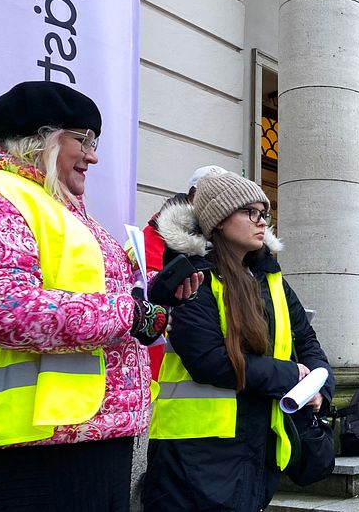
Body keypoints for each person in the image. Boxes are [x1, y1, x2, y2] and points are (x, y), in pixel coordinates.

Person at [0, 81, 198, 511]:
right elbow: (0, 306)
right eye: (84, 139)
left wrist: (155, 304)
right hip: (26, 451)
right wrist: (131, 312)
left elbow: (116, 309)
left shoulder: (63, 207)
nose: (93, 156)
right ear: (41, 137)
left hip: (93, 438)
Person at [142, 170, 335, 511]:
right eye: (250, 212)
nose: (261, 222)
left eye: (264, 214)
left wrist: (319, 387)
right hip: (194, 456)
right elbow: (210, 361)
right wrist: (291, 376)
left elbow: (307, 341)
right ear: (218, 219)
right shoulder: (192, 275)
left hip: (254, 446)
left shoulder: (270, 276)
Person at [141, 164, 225, 379]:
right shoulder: (154, 236)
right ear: (193, 198)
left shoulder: (227, 239)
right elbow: (145, 293)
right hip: (168, 367)